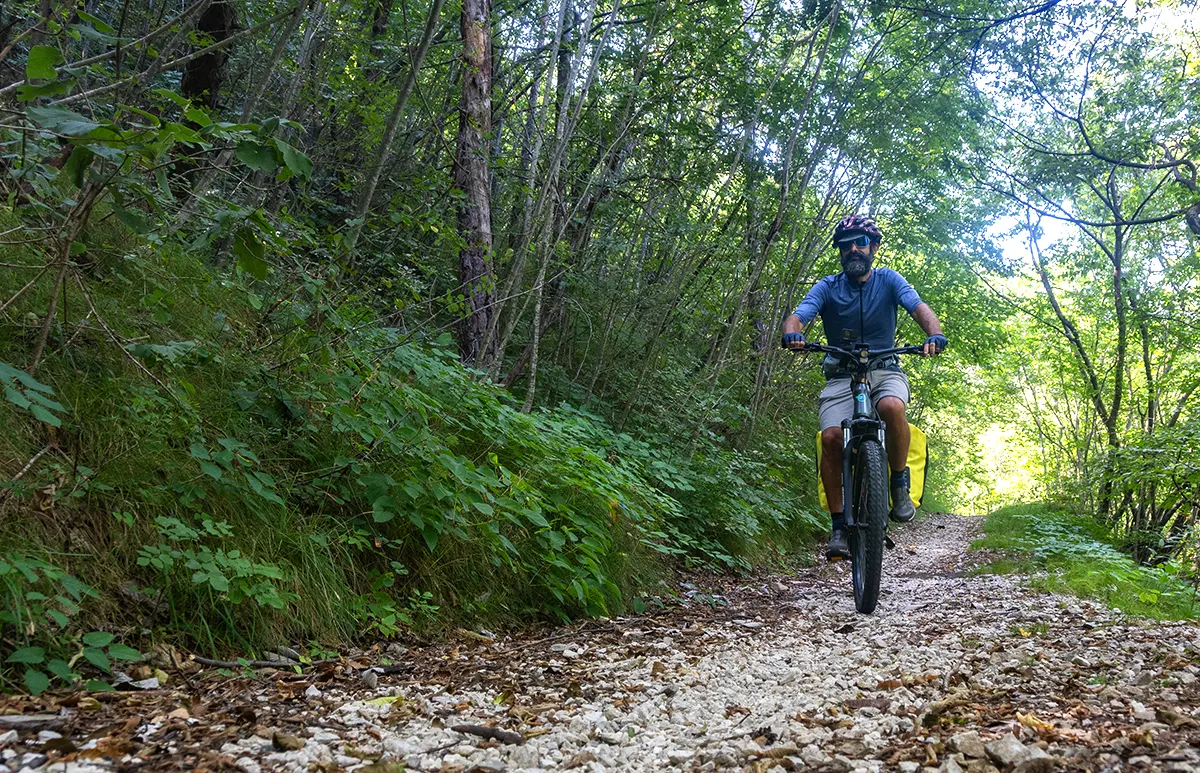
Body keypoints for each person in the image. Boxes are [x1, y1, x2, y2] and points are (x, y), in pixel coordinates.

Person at [781, 215, 947, 560]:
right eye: (846, 244)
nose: (852, 249)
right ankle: (839, 524)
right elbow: (800, 315)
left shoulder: (889, 280)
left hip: (884, 370)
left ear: (872, 247)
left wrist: (933, 333)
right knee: (830, 438)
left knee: (892, 408)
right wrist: (794, 332)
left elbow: (919, 309)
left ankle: (899, 483)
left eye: (859, 242)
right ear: (841, 252)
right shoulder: (827, 286)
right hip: (842, 375)